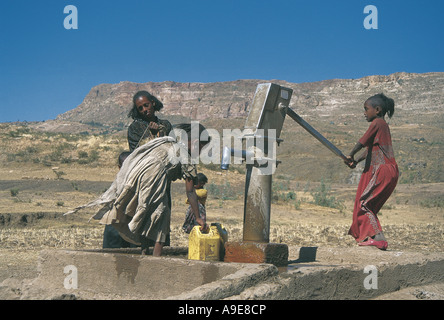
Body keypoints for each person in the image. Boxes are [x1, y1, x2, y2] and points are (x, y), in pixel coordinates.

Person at [65, 122, 210, 257]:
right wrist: (198, 217)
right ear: (196, 143)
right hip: (153, 176)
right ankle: (155, 262)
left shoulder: (166, 142)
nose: (200, 153)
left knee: (145, 210)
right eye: (202, 148)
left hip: (137, 172)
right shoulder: (185, 156)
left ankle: (144, 253)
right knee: (162, 216)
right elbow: (190, 191)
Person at [344, 93, 399, 250]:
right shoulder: (383, 127)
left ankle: (379, 238)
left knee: (364, 203)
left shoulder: (378, 123)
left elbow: (363, 141)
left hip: (382, 170)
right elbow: (369, 151)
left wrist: (350, 154)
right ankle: (374, 237)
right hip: (388, 170)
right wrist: (356, 161)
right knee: (369, 205)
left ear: (377, 109)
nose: (364, 113)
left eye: (366, 109)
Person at [102, 151, 134, 249]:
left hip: (116, 224)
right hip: (130, 225)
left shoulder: (116, 183)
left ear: (119, 167)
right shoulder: (140, 181)